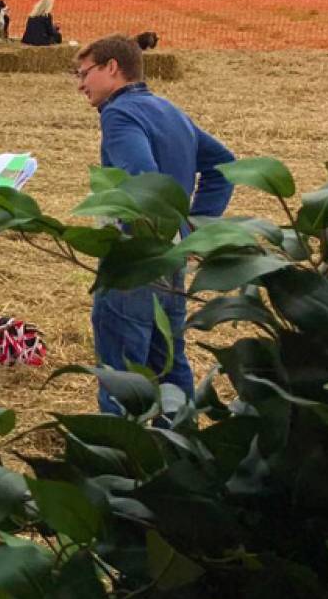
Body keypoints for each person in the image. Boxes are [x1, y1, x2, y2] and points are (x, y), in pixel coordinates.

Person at [73, 35, 235, 414]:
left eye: (84, 74)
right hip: (171, 259)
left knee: (121, 375)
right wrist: (193, 229)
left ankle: (123, 461)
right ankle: (181, 449)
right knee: (170, 363)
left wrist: (139, 233)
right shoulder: (168, 110)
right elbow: (223, 166)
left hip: (134, 262)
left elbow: (142, 177)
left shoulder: (119, 114)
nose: (81, 84)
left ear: (112, 68)